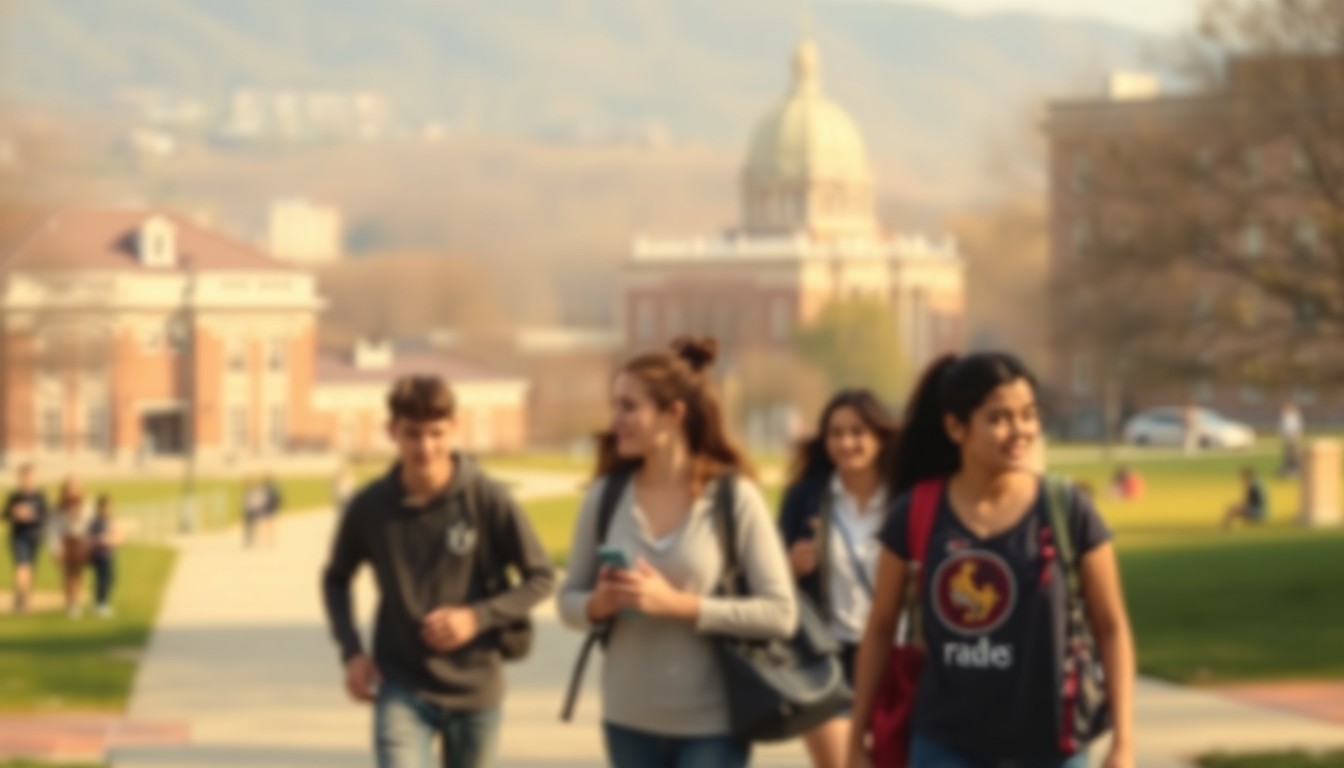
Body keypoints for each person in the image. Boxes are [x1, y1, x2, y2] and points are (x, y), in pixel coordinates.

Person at [847, 352, 1136, 768]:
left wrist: (1123, 743)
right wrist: (857, 738)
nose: (1020, 431)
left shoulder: (1067, 508)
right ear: (955, 427)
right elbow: (879, 628)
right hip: (945, 745)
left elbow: (1111, 627)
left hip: (1051, 747)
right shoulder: (917, 511)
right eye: (999, 418)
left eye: (1029, 415)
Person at [558, 336, 797, 768]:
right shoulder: (605, 496)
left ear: (673, 415)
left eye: (629, 407)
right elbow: (567, 601)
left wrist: (678, 605)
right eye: (615, 406)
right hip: (628, 723)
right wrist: (599, 604)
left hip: (714, 728)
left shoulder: (734, 498)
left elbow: (781, 613)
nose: (615, 421)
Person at [321, 374, 556, 768]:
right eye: (412, 434)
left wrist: (477, 617)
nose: (425, 448)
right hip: (401, 686)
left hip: (476, 690)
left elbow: (542, 576)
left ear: (455, 429)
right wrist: (351, 653)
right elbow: (335, 578)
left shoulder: (487, 498)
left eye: (436, 433)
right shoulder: (370, 507)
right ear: (392, 431)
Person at [778, 389, 901, 768]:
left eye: (858, 431)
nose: (846, 442)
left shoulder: (905, 498)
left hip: (893, 656)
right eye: (835, 433)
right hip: (826, 659)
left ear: (880, 436)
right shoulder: (806, 497)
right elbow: (767, 577)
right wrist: (789, 566)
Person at [3, 465, 49, 614]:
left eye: (29, 477)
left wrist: (32, 515)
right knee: (22, 566)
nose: (27, 481)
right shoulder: (14, 497)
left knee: (30, 567)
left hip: (34, 537)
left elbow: (46, 516)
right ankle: (24, 599)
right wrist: (14, 513)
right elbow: (4, 515)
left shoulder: (39, 497)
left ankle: (21, 594)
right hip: (18, 536)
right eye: (24, 478)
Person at [55, 477, 91, 618]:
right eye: (70, 488)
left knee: (78, 573)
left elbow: (89, 523)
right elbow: (55, 528)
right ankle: (71, 602)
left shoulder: (86, 504)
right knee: (68, 574)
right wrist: (56, 547)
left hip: (81, 541)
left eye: (75, 488)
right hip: (66, 542)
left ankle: (76, 600)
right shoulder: (59, 507)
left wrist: (78, 516)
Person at [87, 494, 120, 618]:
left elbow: (116, 535)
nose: (109, 509)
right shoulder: (96, 521)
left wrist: (113, 539)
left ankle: (102, 602)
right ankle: (100, 603)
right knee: (102, 579)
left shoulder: (109, 520)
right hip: (99, 555)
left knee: (110, 579)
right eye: (107, 507)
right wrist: (102, 540)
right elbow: (92, 538)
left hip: (108, 554)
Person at [1279, 401, 1303, 477]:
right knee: (1288, 454)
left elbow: (1297, 427)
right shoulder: (1285, 417)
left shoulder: (1294, 417)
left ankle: (1296, 468)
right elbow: (1283, 427)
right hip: (1286, 438)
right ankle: (1289, 468)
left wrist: (1294, 436)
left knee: (1294, 454)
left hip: (1293, 437)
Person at [242, 477, 268, 549]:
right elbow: (244, 502)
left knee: (254, 525)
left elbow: (259, 501)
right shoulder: (247, 492)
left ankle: (254, 538)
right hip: (247, 510)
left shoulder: (256, 492)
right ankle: (249, 539)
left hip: (254, 510)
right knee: (248, 525)